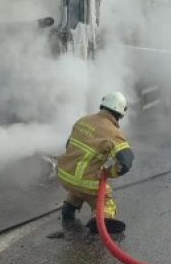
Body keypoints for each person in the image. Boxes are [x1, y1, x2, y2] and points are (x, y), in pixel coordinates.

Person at [57, 92, 134, 234]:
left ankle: (68, 210)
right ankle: (101, 221)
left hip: (63, 174)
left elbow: (69, 146)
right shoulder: (113, 133)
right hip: (83, 181)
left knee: (79, 188)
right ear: (120, 114)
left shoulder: (83, 120)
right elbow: (125, 163)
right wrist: (108, 172)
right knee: (105, 199)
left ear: (102, 106)